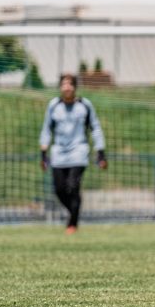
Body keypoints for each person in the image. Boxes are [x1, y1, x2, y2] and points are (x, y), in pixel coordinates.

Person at [40, 74, 107, 234]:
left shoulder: (85, 105)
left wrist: (101, 152)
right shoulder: (54, 105)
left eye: (70, 84)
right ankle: (73, 213)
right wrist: (43, 153)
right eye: (64, 84)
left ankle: (72, 223)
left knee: (72, 187)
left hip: (79, 152)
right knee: (59, 190)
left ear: (75, 87)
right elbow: (46, 129)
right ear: (60, 87)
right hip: (58, 154)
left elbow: (95, 128)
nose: (67, 87)